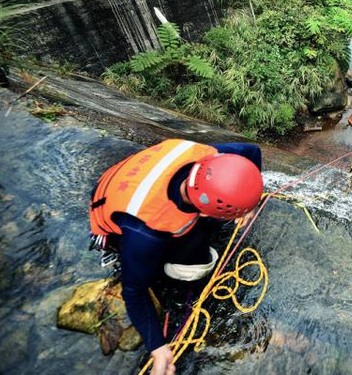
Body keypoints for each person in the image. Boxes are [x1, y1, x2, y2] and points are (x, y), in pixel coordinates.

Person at [89, 139, 263, 375]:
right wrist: (158, 347)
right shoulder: (147, 230)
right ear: (202, 212)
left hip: (124, 181)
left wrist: (248, 205)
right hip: (118, 221)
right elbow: (134, 291)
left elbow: (251, 151)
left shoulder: (208, 158)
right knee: (192, 267)